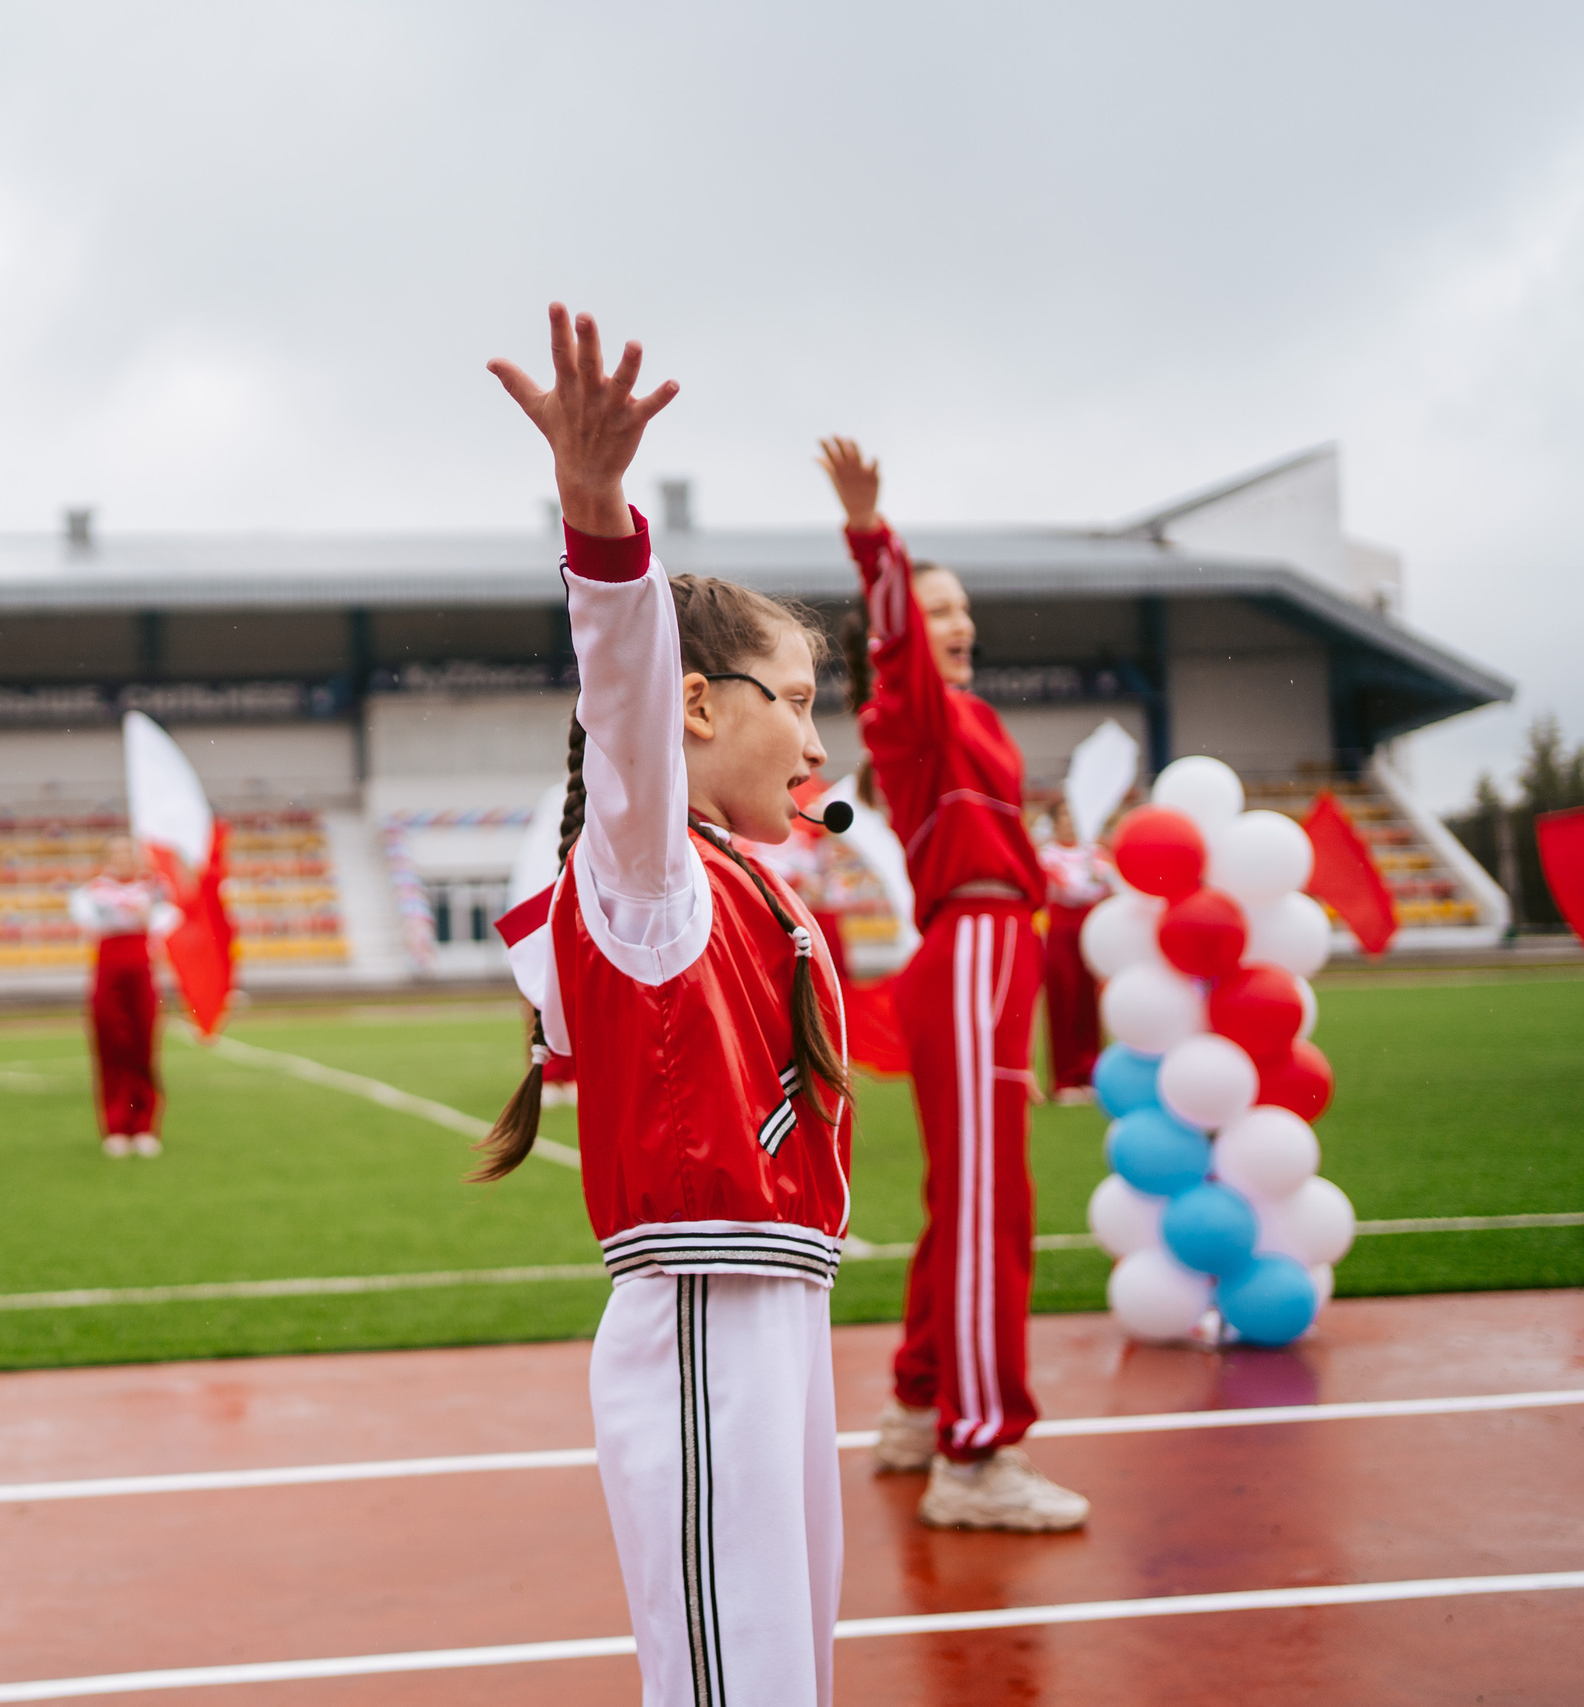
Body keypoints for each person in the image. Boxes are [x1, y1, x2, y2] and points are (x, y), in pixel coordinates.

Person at [483, 306, 852, 1704]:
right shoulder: (650, 879)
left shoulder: (734, 876)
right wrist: (595, 509)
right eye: (797, 702)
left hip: (776, 1304)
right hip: (707, 1307)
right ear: (697, 707)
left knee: (783, 1663)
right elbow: (621, 696)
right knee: (729, 1677)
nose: (816, 742)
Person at [821, 434, 1089, 1532]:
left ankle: (923, 1406)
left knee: (967, 1197)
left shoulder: (970, 720)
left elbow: (998, 844)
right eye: (938, 610)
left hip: (989, 944)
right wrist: (871, 536)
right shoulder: (907, 708)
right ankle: (976, 1458)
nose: (959, 621)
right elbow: (894, 646)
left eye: (964, 606)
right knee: (992, 1203)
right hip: (973, 946)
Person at [69, 836, 175, 1157]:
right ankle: (115, 1126)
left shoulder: (154, 889)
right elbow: (91, 926)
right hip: (109, 970)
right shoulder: (90, 893)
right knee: (110, 1046)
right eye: (116, 852)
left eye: (128, 852)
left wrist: (148, 911)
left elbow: (165, 922)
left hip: (142, 970)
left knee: (143, 1045)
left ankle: (144, 1125)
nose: (123, 858)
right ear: (105, 857)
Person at [1036, 798, 1110, 1103]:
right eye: (1064, 815)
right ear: (1054, 822)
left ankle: (1091, 1074)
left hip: (1090, 933)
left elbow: (1111, 883)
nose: (1069, 821)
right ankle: (1065, 1079)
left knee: (1089, 1002)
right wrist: (1096, 882)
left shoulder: (1094, 853)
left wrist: (1098, 879)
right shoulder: (1047, 855)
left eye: (1073, 815)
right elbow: (1072, 891)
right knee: (1063, 998)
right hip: (1060, 932)